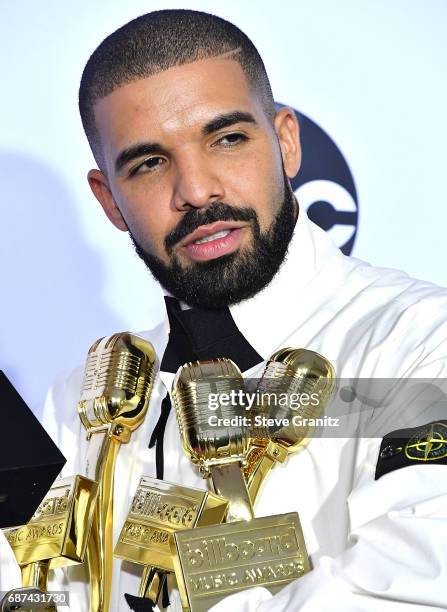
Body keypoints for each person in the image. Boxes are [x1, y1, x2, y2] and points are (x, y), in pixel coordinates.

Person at [1, 9, 447, 611]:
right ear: (109, 200)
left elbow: (406, 591)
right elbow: (35, 590)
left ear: (286, 142)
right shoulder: (83, 397)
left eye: (228, 138)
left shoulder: (421, 343)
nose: (196, 189)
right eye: (149, 163)